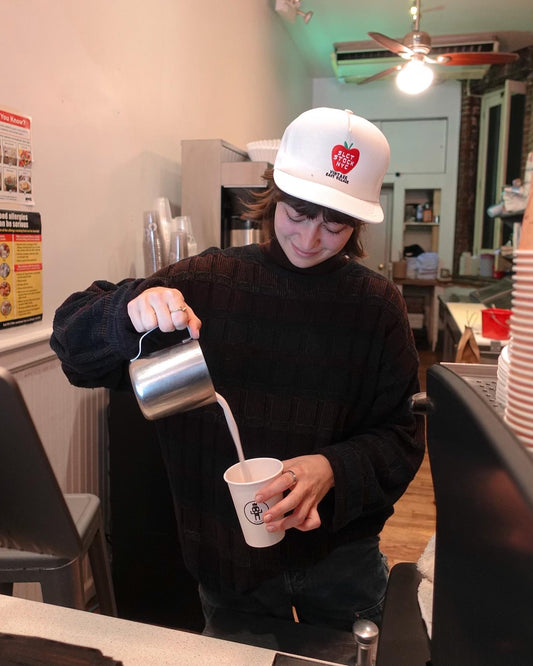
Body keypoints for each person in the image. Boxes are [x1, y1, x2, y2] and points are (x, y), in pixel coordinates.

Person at [50, 107, 424, 634]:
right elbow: (71, 345)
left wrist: (330, 467)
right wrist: (129, 309)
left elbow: (403, 435)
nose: (312, 238)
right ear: (273, 193)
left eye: (335, 222)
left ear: (358, 222)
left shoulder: (377, 306)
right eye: (297, 211)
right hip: (229, 560)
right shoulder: (210, 280)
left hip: (343, 559)